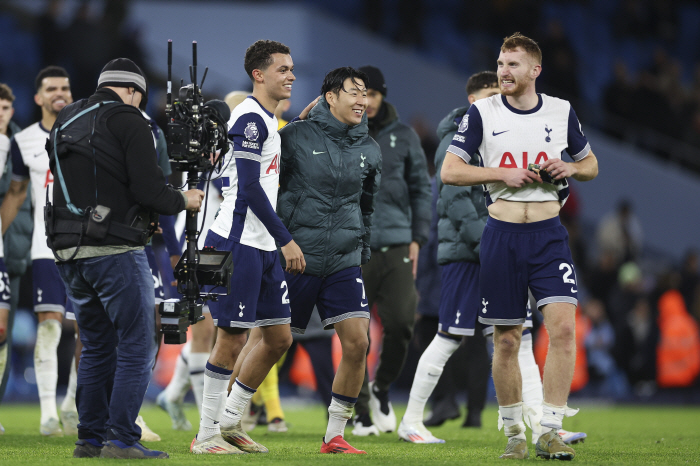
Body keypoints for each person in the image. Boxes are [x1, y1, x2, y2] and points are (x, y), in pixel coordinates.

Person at [441, 33, 599, 460]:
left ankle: (550, 429)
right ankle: (514, 434)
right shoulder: (482, 113)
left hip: (549, 236)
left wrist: (569, 165)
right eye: (500, 63)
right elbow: (450, 171)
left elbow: (591, 165)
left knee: (564, 330)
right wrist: (500, 174)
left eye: (512, 64)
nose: (503, 71)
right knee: (507, 340)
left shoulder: (561, 111)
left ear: (535, 70)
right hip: (502, 237)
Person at [47, 58, 204, 459]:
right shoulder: (130, 118)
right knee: (137, 341)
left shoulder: (65, 117)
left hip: (67, 251)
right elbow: (151, 190)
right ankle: (121, 437)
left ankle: (90, 438)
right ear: (134, 91)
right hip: (114, 248)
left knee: (97, 344)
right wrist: (181, 199)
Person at [191, 40, 304, 455]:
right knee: (232, 339)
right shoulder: (250, 120)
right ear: (258, 74)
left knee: (277, 337)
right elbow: (250, 189)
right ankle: (206, 434)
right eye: (282, 69)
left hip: (261, 244)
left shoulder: (267, 121)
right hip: (239, 241)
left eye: (292, 69)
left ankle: (232, 420)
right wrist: (286, 239)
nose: (291, 75)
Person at [277, 66, 381, 454]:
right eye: (353, 92)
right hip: (296, 256)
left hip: (343, 259)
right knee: (270, 342)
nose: (362, 100)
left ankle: (334, 434)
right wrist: (279, 241)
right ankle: (224, 418)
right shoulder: (294, 136)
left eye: (365, 93)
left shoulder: (369, 147)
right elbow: (266, 186)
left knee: (357, 343)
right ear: (329, 98)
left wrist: (361, 249)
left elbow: (366, 208)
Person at [398, 71, 499, 444]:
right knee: (450, 338)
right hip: (465, 257)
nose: (499, 100)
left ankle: (539, 422)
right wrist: (494, 246)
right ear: (474, 100)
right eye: (492, 94)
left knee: (510, 337)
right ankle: (420, 414)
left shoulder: (496, 140)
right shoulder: (454, 145)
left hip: (482, 251)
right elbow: (453, 207)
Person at [350, 65, 431, 436]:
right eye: (360, 95)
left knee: (401, 323)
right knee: (355, 333)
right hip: (352, 245)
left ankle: (380, 387)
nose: (365, 103)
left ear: (383, 96)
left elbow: (421, 188)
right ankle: (361, 410)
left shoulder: (404, 136)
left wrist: (418, 238)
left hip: (398, 242)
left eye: (372, 95)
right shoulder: (341, 133)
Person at [0, 67, 79, 437]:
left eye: (64, 87)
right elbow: (15, 194)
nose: (59, 93)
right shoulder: (25, 141)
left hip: (86, 246)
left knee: (87, 331)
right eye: (51, 89)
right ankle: (48, 411)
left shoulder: (86, 134)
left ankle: (72, 404)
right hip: (45, 246)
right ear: (38, 97)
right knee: (48, 326)